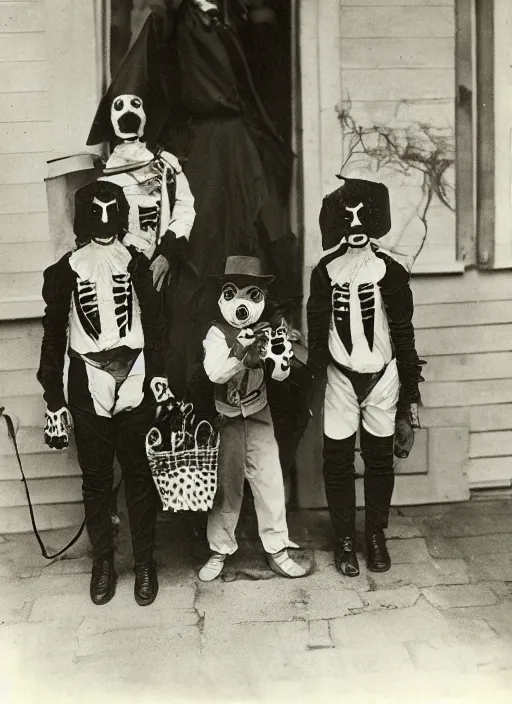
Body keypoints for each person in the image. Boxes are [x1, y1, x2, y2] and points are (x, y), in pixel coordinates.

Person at [37, 180, 175, 606]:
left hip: (135, 374)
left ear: (121, 215)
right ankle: (103, 562)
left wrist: (160, 376)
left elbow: (155, 328)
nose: (102, 222)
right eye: (93, 214)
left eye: (110, 212)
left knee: (138, 475)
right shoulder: (65, 271)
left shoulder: (136, 265)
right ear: (82, 218)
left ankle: (145, 563)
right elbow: (53, 336)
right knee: (96, 480)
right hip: (87, 377)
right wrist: (53, 398)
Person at [306, 177, 425, 577]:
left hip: (382, 376)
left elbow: (405, 334)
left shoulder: (391, 271)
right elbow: (317, 331)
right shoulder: (324, 272)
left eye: (362, 218)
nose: (355, 227)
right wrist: (313, 386)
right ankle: (343, 539)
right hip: (340, 376)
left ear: (374, 221)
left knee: (378, 461)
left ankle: (374, 534)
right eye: (347, 218)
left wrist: (410, 396)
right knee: (336, 460)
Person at [198, 256, 309, 581]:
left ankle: (277, 550)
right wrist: (243, 357)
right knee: (227, 489)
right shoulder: (217, 334)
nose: (241, 305)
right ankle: (219, 550)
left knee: (271, 480)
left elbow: (278, 376)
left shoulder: (268, 330)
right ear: (222, 296)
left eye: (252, 295)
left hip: (259, 413)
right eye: (233, 294)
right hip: (228, 418)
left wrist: (279, 355)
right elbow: (215, 374)